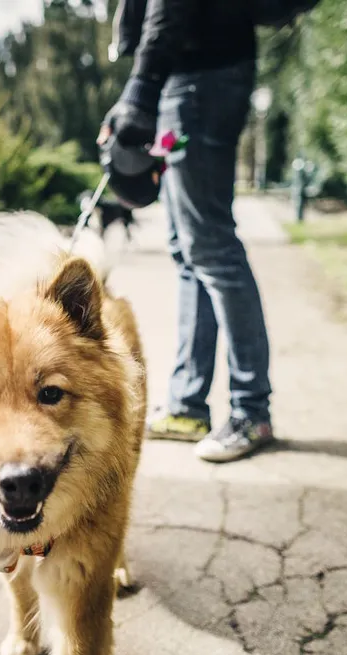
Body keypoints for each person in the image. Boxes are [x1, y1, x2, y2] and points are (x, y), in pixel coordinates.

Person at [103, 1, 274, 462]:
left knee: (212, 248)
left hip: (201, 76)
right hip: (192, 75)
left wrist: (140, 90)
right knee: (188, 250)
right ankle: (187, 405)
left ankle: (251, 410)